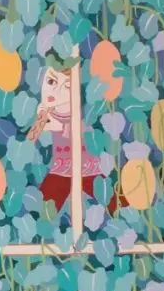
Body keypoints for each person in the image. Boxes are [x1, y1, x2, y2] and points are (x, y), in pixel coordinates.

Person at [26, 64, 117, 214]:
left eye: (67, 87)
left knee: (113, 204)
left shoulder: (81, 112)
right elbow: (30, 139)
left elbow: (60, 126)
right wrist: (42, 118)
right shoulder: (46, 110)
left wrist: (50, 121)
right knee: (43, 211)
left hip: (86, 167)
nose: (55, 91)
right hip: (61, 168)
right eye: (51, 81)